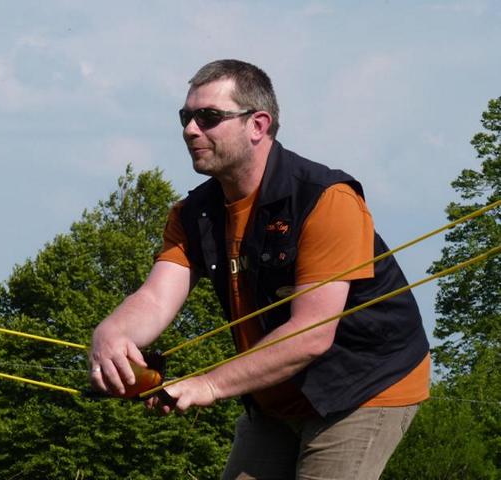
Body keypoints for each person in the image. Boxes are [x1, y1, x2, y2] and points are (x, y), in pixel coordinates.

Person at [90, 59, 430, 480]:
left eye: (208, 117)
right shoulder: (193, 213)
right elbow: (156, 298)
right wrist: (112, 334)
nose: (190, 130)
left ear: (258, 125)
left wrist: (209, 384)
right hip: (275, 392)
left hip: (363, 386)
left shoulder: (326, 199)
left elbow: (311, 334)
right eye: (186, 117)